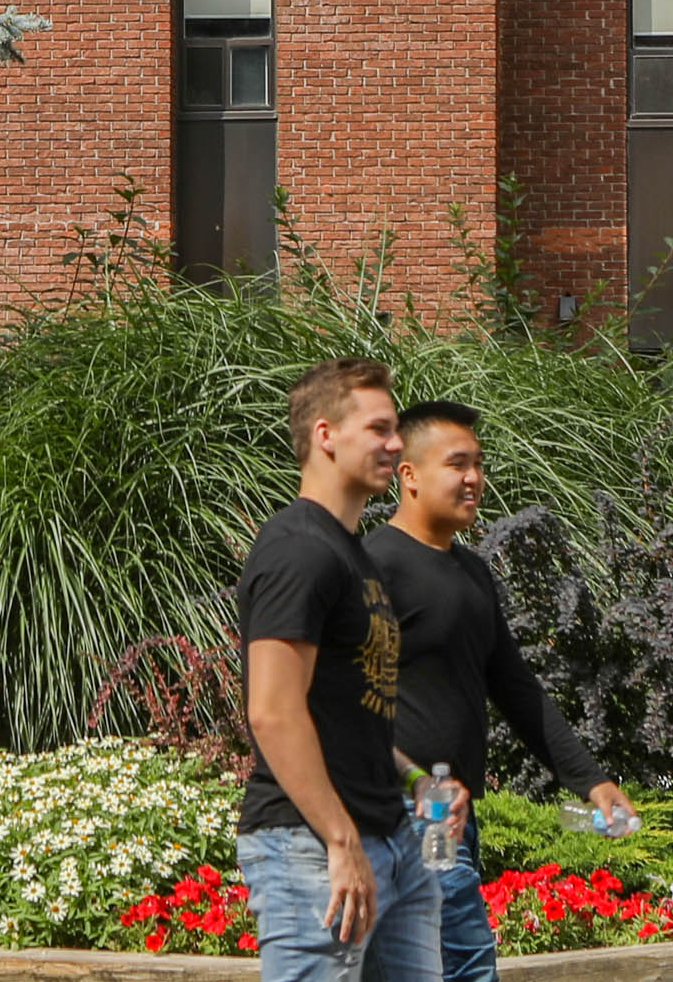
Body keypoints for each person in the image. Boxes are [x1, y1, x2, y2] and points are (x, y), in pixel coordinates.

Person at [364, 401, 636, 982]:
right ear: (408, 475)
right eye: (456, 464)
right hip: (413, 812)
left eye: (478, 464)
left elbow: (515, 687)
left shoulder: (470, 572)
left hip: (452, 814)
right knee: (467, 966)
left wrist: (590, 780)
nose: (473, 479)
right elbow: (339, 702)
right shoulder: (373, 568)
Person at [236, 356, 439, 982]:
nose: (397, 442)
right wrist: (340, 839)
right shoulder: (297, 549)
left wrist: (418, 783)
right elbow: (273, 711)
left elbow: (352, 708)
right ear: (325, 435)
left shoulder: (352, 555)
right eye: (379, 429)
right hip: (311, 847)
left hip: (391, 841)